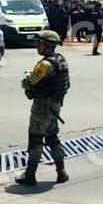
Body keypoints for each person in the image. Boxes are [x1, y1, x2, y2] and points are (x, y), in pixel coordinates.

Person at [15, 31, 70, 186]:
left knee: (35, 138)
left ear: (48, 46)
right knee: (53, 137)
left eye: (40, 44)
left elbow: (28, 83)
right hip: (55, 104)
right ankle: (61, 172)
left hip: (42, 106)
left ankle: (30, 174)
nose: (37, 46)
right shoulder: (60, 60)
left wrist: (27, 75)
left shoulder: (44, 65)